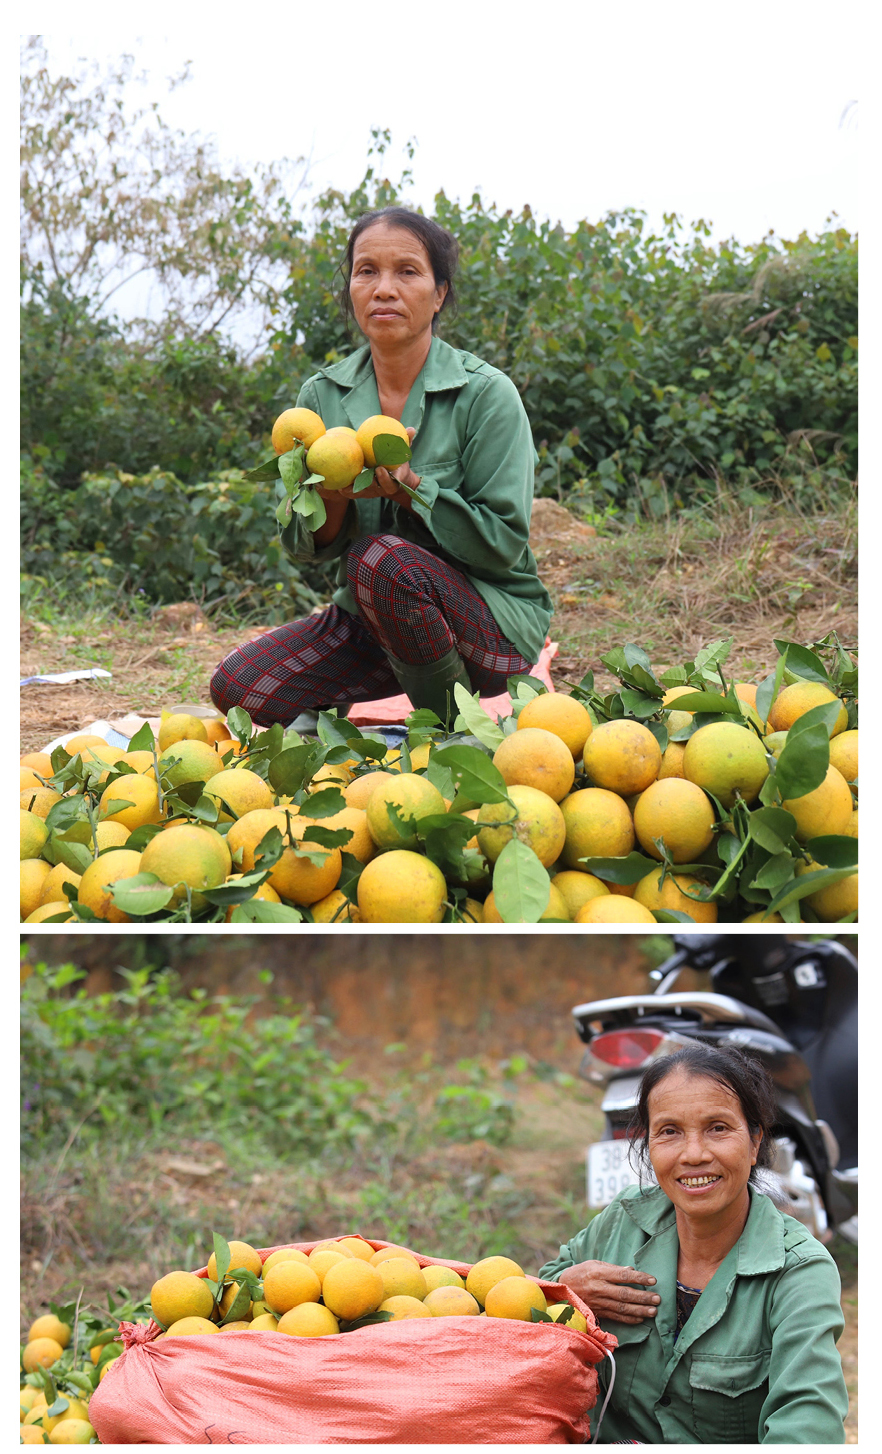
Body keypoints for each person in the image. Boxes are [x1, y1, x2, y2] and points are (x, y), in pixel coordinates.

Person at [210, 205, 552, 728]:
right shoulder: (321, 396)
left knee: (381, 559)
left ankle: (452, 729)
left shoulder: (485, 394)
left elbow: (504, 541)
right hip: (373, 615)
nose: (384, 288)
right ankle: (348, 701)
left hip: (489, 621)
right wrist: (333, 493)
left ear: (439, 294)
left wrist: (411, 488)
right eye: (366, 270)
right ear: (350, 287)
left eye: (407, 271)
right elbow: (307, 546)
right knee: (238, 686)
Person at [539, 1044, 849, 1443]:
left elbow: (808, 1425)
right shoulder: (622, 1221)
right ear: (648, 1145)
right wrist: (566, 1290)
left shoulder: (798, 1270)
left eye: (718, 1128)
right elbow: (528, 1310)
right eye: (669, 1132)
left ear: (755, 1142)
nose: (694, 1154)